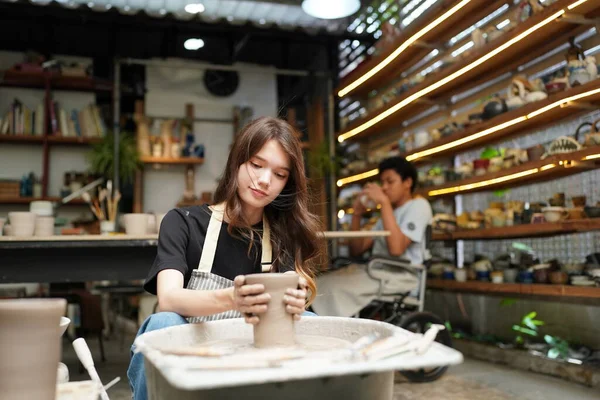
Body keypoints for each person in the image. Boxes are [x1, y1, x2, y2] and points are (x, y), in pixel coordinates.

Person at [127, 117, 323, 400]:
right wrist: (233, 299)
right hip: (189, 356)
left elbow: (290, 313)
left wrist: (293, 306)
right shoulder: (183, 222)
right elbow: (168, 299)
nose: (265, 180)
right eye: (256, 165)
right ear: (237, 162)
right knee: (162, 323)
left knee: (308, 320)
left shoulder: (282, 235)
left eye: (280, 175)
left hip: (249, 358)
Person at [311, 156, 432, 317]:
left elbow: (396, 249)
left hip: (401, 276)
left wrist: (384, 203)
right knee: (318, 283)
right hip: (377, 270)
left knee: (332, 288)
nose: (385, 188)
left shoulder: (418, 206)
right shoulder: (388, 214)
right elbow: (357, 250)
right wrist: (357, 215)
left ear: (407, 182)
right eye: (383, 183)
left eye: (390, 181)